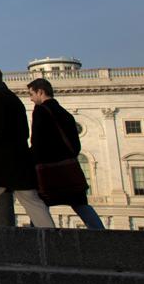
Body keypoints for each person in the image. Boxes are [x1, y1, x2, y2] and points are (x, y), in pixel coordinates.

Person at [0, 65, 54, 227]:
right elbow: (24, 131)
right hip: (20, 159)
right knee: (33, 202)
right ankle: (52, 238)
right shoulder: (14, 99)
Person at [27, 78, 105, 229]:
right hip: (69, 169)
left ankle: (34, 239)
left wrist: (32, 161)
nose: (30, 99)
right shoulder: (67, 114)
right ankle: (101, 234)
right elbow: (76, 146)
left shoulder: (41, 111)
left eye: (31, 94)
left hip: (48, 170)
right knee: (81, 204)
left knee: (39, 206)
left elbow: (37, 142)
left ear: (40, 91)